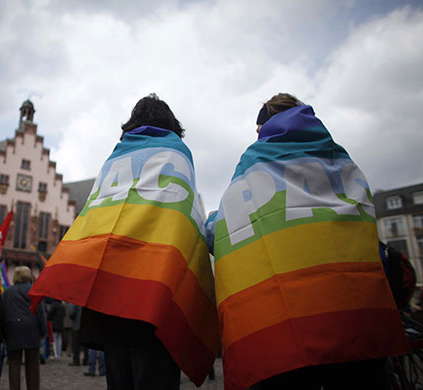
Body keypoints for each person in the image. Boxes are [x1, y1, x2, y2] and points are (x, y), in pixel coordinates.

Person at [208, 93, 409, 390]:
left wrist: (210, 225)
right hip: (358, 316)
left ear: (263, 127)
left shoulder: (255, 163)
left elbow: (227, 227)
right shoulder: (339, 158)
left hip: (290, 325)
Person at [29, 94, 219, 389]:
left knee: (119, 379)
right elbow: (187, 222)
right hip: (154, 294)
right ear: (171, 125)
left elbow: (92, 219)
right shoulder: (177, 155)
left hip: (110, 300)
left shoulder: (113, 159)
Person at [2, 266, 46, 390]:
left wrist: (3, 333)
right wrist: (43, 331)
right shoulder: (35, 291)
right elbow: (40, 313)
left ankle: (14, 387)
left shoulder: (7, 292)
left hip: (13, 329)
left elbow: (3, 313)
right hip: (31, 330)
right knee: (32, 364)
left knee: (14, 364)